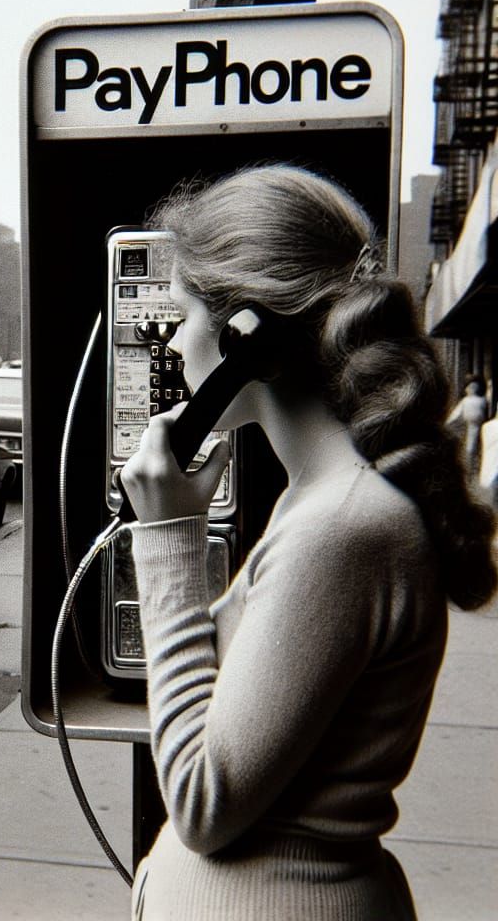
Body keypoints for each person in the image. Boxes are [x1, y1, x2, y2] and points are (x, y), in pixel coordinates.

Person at [118, 164, 497, 920]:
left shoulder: (342, 528)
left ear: (245, 337)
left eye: (181, 312)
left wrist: (167, 543)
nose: (167, 342)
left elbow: (203, 802)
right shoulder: (321, 504)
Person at [446, 373, 489, 478]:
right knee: (470, 447)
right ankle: (469, 468)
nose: (472, 389)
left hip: (483, 425)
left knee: (481, 446)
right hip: (471, 426)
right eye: (470, 387)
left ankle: (478, 466)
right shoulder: (465, 401)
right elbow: (456, 413)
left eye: (475, 387)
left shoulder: (483, 400)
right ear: (466, 389)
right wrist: (448, 422)